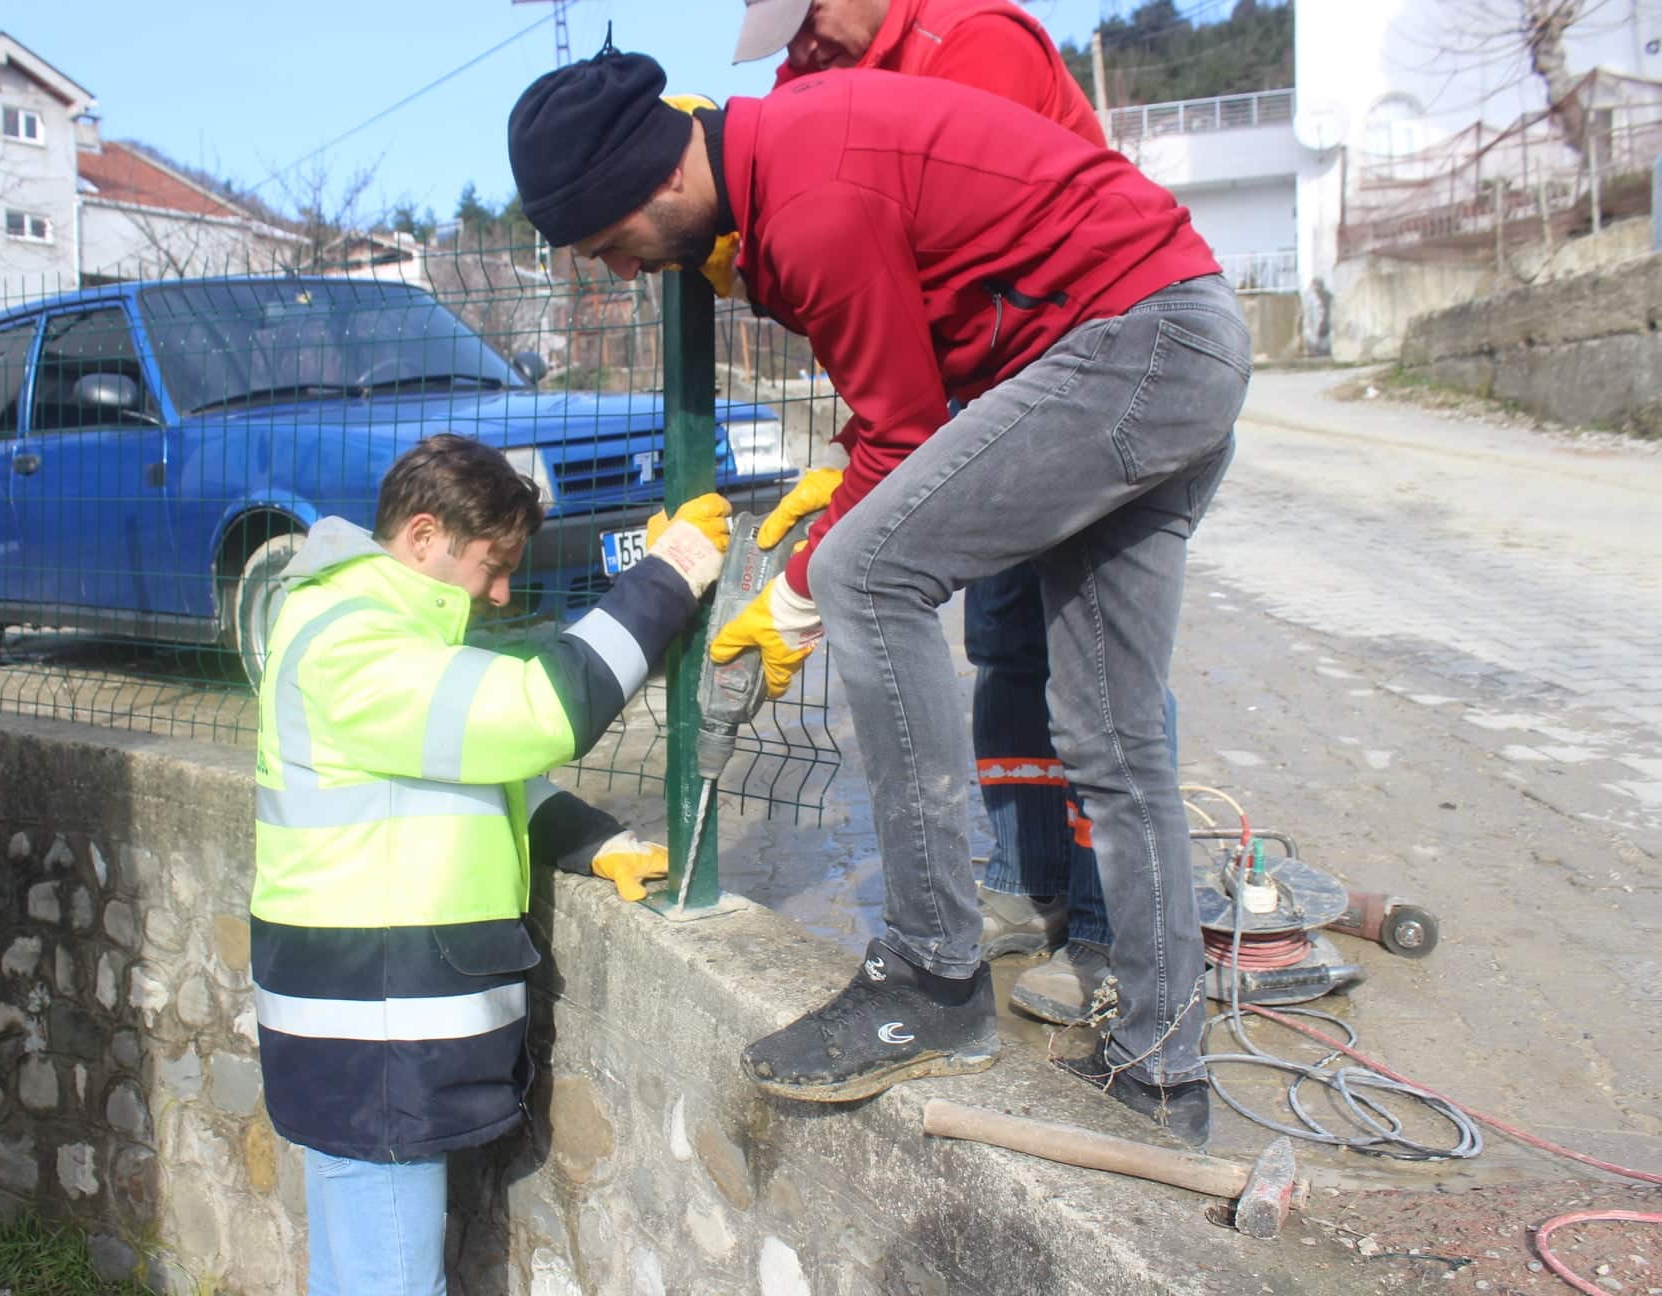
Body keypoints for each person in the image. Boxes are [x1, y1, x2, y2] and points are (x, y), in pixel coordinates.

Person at [507, 47, 1247, 1146]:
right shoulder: (781, 175)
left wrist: (798, 595)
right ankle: (1161, 1073)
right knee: (1112, 736)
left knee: (867, 571)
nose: (617, 275)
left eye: (610, 245)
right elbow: (900, 402)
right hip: (1171, 339)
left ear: (662, 178)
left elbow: (904, 444)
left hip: (1131, 347)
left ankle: (933, 973)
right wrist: (847, 472)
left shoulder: (807, 201)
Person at [731, 0, 1162, 1027]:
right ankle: (1027, 880)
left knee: (1093, 650)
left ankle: (1106, 934)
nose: (798, 50)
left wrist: (887, 452)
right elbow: (845, 268)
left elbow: (978, 257)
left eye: (808, 20)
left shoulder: (973, 46)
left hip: (1077, 370)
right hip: (985, 391)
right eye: (782, 39)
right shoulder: (818, 79)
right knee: (1008, 641)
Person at [249, 433, 733, 1293]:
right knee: (388, 1282)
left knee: (356, 1269)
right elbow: (535, 713)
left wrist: (593, 842)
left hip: (357, 1025)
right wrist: (666, 578)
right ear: (425, 536)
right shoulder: (354, 642)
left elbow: (469, 775)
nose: (503, 592)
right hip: (373, 1036)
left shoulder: (368, 627)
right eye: (492, 564)